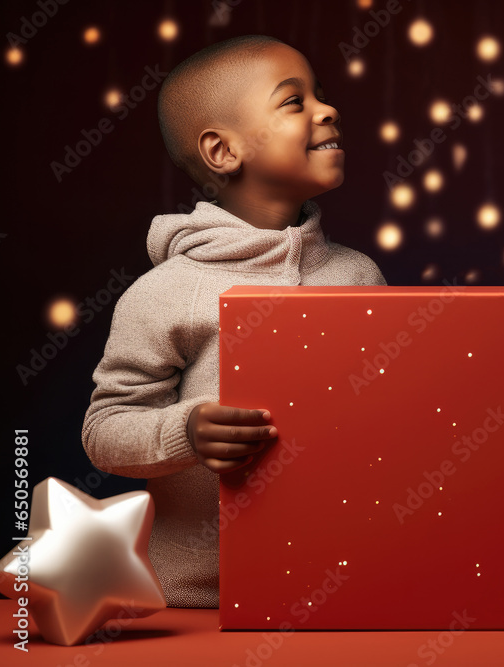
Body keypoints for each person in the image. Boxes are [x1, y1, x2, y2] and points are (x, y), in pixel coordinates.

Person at [82, 35, 385, 608]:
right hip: (195, 603)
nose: (328, 109)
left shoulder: (360, 275)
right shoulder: (164, 293)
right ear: (223, 152)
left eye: (320, 93)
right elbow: (104, 431)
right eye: (294, 102)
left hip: (337, 593)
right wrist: (185, 433)